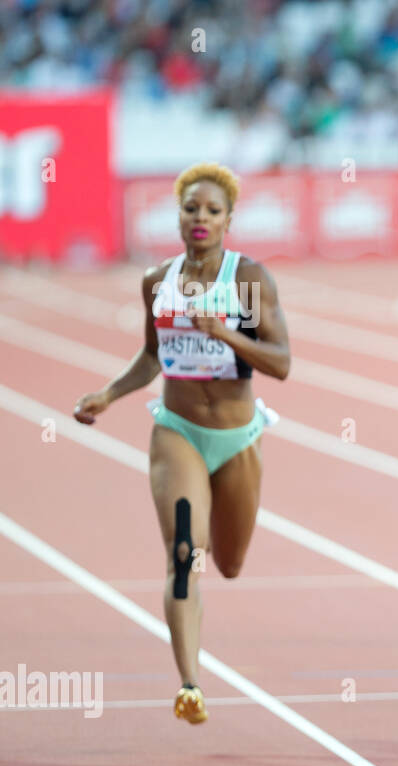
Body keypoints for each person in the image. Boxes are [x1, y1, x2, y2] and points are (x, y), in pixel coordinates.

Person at [74, 162, 291, 724]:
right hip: (178, 431)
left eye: (212, 210)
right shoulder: (157, 280)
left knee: (232, 563)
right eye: (190, 208)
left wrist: (225, 332)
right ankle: (190, 684)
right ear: (178, 215)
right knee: (182, 558)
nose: (200, 218)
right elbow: (152, 355)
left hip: (238, 436)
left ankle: (208, 545)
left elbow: (282, 363)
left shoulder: (247, 281)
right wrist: (108, 393)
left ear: (228, 220)